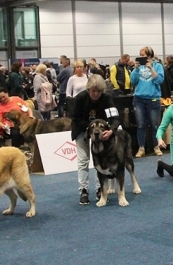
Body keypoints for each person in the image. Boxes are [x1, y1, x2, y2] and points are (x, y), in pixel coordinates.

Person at [70, 74, 121, 205]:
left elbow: (115, 118)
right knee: (83, 160)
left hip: (102, 134)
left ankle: (100, 189)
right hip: (82, 131)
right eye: (93, 91)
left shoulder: (107, 98)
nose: (96, 94)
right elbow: (75, 119)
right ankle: (83, 190)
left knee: (101, 161)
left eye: (99, 91)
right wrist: (91, 129)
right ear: (88, 89)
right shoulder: (80, 98)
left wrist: (112, 130)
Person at [130, 46, 164, 158]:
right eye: (140, 54)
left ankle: (156, 146)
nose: (141, 57)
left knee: (154, 125)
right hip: (139, 99)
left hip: (153, 99)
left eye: (143, 55)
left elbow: (159, 80)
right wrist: (135, 70)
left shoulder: (158, 66)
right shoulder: (137, 68)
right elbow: (133, 81)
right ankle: (141, 148)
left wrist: (151, 69)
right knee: (140, 125)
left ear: (150, 56)